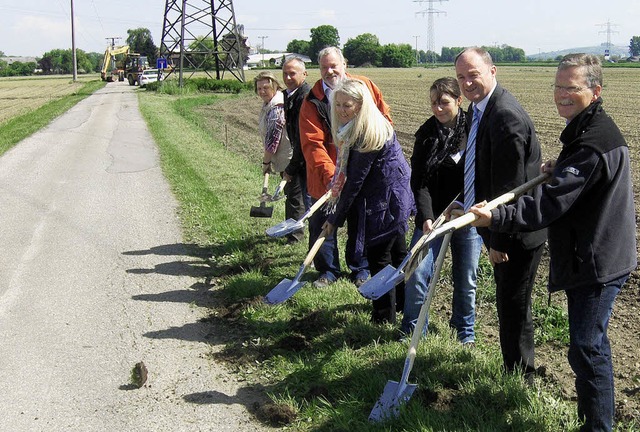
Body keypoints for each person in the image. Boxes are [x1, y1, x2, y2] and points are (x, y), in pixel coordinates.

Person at [471, 53, 636, 432]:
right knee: (586, 346)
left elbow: (549, 204)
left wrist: (496, 217)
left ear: (594, 91)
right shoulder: (585, 130)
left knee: (587, 348)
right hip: (597, 253)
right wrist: (559, 169)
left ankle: (597, 427)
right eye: (558, 86)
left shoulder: (592, 141)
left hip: (598, 261)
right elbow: (575, 182)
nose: (561, 95)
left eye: (571, 88)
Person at [454, 47, 547, 379]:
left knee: (513, 309)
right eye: (461, 77)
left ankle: (522, 380)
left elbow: (511, 186)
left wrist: (499, 241)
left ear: (492, 71)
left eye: (473, 74)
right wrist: (462, 200)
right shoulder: (480, 109)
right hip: (501, 225)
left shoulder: (504, 115)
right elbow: (483, 169)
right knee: (510, 305)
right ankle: (517, 373)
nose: (467, 83)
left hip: (515, 234)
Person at [299, 46, 392, 288]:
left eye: (334, 66)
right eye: (324, 67)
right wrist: (334, 177)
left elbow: (383, 119)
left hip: (361, 170)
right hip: (326, 175)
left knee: (359, 220)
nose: (330, 71)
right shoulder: (312, 100)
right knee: (323, 220)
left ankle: (360, 268)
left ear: (344, 65)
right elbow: (313, 143)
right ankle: (327, 271)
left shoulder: (365, 87)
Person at [323, 78, 414, 324]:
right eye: (338, 105)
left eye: (347, 105)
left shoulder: (366, 134)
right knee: (397, 254)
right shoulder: (356, 127)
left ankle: (384, 316)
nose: (342, 110)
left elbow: (354, 183)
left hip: (386, 202)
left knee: (381, 257)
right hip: (390, 198)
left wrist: (334, 219)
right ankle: (404, 307)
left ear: (361, 105)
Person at [400, 77, 482, 344]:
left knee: (466, 278)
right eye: (434, 103)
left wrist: (471, 208)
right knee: (417, 272)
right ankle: (413, 329)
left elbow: (484, 172)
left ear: (459, 101)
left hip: (468, 216)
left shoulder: (476, 129)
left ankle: (464, 332)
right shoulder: (426, 135)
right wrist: (426, 216)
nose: (438, 108)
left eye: (444, 102)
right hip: (433, 216)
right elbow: (419, 181)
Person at [281, 56, 312, 243]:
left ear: (304, 74)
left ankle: (296, 237)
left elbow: (304, 136)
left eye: (292, 73)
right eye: (285, 73)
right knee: (293, 195)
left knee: (304, 199)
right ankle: (292, 235)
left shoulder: (305, 97)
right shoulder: (288, 95)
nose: (288, 77)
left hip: (305, 157)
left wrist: (292, 167)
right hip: (296, 154)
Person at [254, 71, 291, 178]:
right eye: (259, 89)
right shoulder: (269, 104)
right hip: (284, 161)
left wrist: (266, 163)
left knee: (294, 194)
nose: (262, 92)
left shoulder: (277, 107)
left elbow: (272, 140)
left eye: (266, 88)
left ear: (274, 86)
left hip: (288, 162)